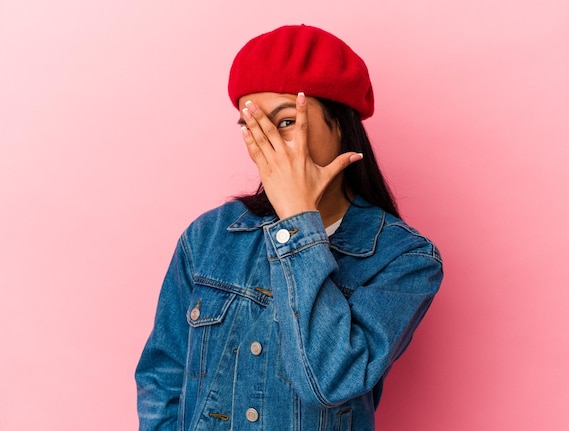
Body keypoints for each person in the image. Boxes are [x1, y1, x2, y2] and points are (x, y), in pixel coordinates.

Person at [135, 24, 443, 431]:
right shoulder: (208, 237)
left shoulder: (405, 259)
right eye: (252, 127)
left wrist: (298, 218)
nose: (269, 146)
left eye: (283, 123)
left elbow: (330, 379)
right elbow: (163, 377)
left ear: (340, 124)